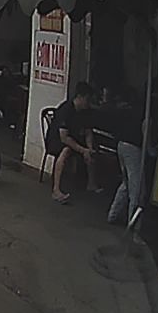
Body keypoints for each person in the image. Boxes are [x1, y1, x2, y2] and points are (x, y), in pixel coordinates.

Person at [46, 81, 99, 204]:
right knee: (66, 150)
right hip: (57, 140)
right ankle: (56, 189)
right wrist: (82, 150)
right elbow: (64, 138)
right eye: (87, 99)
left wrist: (89, 148)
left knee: (93, 149)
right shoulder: (66, 109)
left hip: (74, 138)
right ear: (79, 97)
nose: (88, 103)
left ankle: (91, 183)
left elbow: (88, 131)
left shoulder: (86, 112)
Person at [105, 86, 145, 226]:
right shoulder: (145, 111)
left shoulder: (126, 110)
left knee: (126, 183)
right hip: (133, 147)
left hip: (121, 145)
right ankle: (133, 226)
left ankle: (113, 214)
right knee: (136, 189)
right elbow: (146, 130)